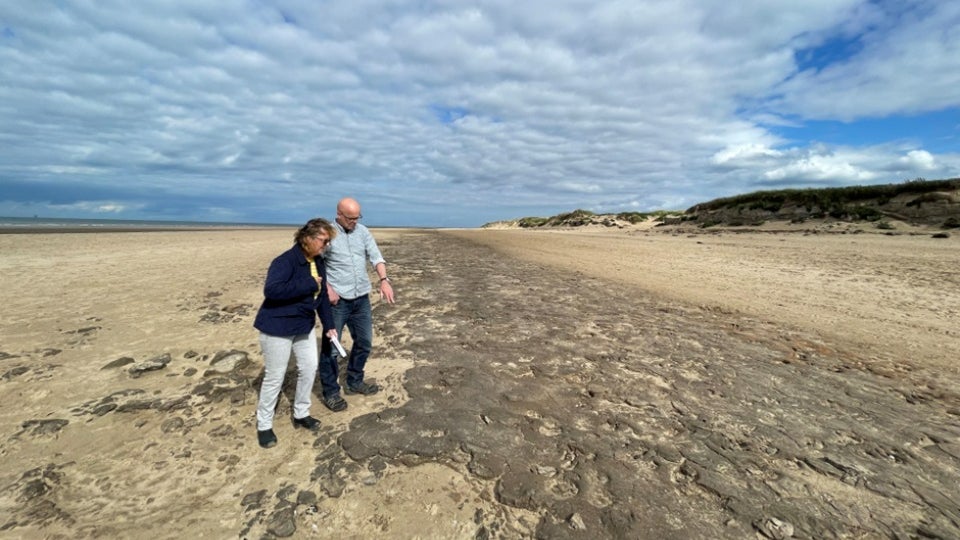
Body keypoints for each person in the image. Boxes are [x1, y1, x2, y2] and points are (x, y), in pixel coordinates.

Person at [253, 218, 339, 449]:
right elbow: (272, 290)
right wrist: (309, 284)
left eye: (328, 242)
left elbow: (321, 298)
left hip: (304, 325)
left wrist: (329, 326)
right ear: (306, 239)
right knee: (275, 375)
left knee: (309, 368)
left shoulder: (318, 261)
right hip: (277, 327)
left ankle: (301, 413)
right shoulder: (285, 261)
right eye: (323, 241)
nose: (326, 246)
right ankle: (264, 425)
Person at [317, 197, 396, 412]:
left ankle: (354, 380)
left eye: (357, 217)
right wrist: (327, 289)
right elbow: (314, 263)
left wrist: (384, 280)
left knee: (365, 342)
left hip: (361, 299)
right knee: (331, 350)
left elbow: (376, 257)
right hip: (337, 302)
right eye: (350, 218)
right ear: (339, 215)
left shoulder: (362, 231)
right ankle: (331, 392)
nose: (355, 221)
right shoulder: (327, 234)